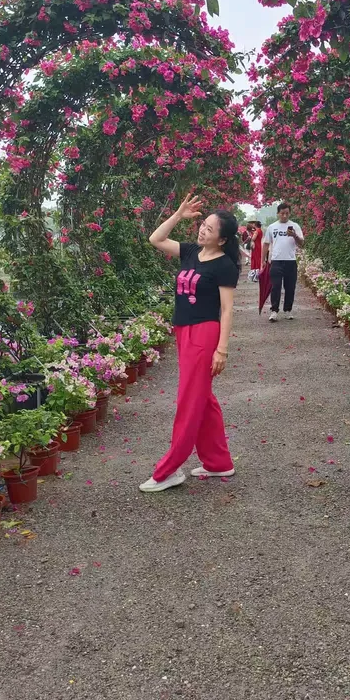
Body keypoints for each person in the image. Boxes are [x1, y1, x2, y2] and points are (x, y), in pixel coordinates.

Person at [139, 193, 239, 493]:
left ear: (222, 239)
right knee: (203, 399)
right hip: (184, 331)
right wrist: (179, 214)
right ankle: (219, 462)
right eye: (203, 224)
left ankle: (168, 471)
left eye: (210, 228)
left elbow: (227, 309)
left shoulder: (224, 265)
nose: (203, 230)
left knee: (189, 401)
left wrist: (222, 348)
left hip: (204, 334)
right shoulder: (191, 252)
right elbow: (155, 239)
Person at [262, 203, 304, 322]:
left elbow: (302, 244)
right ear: (278, 213)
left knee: (290, 287)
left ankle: (287, 310)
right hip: (276, 261)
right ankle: (274, 311)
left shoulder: (295, 226)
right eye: (282, 213)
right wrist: (263, 261)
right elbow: (266, 244)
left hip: (290, 261)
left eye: (287, 213)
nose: (284, 216)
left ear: (289, 213)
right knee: (275, 286)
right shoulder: (272, 227)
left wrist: (294, 235)